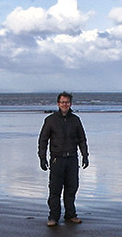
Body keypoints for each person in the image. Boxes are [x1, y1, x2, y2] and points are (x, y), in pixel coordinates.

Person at [38, 92, 89, 226]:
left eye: (67, 102)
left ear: (70, 104)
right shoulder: (51, 120)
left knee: (71, 188)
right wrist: (42, 158)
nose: (64, 104)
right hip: (57, 159)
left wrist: (85, 156)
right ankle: (53, 217)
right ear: (58, 104)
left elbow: (82, 139)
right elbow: (43, 140)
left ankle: (70, 215)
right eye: (62, 102)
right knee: (55, 190)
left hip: (72, 159)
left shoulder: (75, 120)